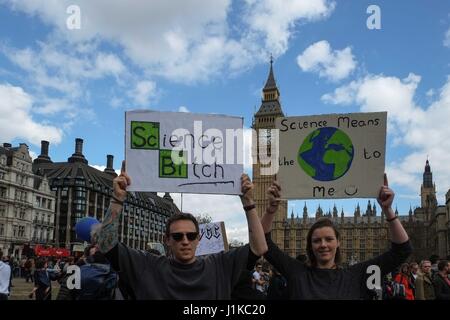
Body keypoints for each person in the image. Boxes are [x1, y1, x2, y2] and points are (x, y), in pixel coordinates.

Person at [95, 161, 268, 299]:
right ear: (167, 239)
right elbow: (106, 245)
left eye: (191, 235)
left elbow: (259, 248)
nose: (185, 241)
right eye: (177, 236)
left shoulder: (219, 265)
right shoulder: (148, 266)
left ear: (198, 238)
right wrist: (117, 199)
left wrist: (248, 202)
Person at [259, 174, 412, 299]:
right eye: (317, 240)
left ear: (339, 242)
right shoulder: (298, 273)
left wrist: (388, 211)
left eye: (329, 239)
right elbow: (264, 243)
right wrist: (271, 210)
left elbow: (402, 251)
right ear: (310, 245)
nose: (323, 244)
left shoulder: (356, 275)